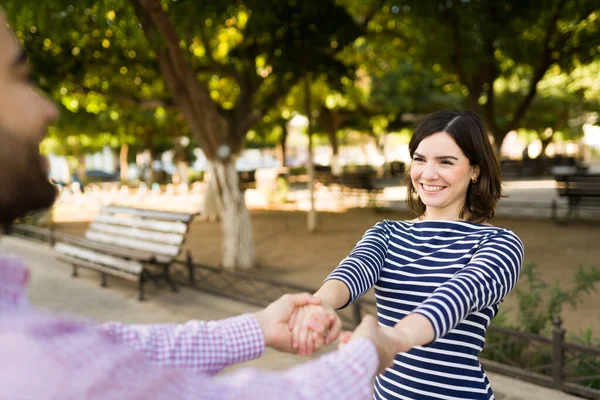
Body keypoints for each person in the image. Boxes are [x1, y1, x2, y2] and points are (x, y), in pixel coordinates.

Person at [0, 11, 400, 399]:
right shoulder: (31, 358)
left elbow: (114, 349)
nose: (48, 109)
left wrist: (257, 328)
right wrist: (363, 357)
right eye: (21, 78)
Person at [290, 110, 525, 399]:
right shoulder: (387, 233)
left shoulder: (499, 244)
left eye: (446, 162)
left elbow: (455, 298)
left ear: (475, 170)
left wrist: (392, 340)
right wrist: (321, 304)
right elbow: (354, 269)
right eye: (420, 159)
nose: (428, 174)